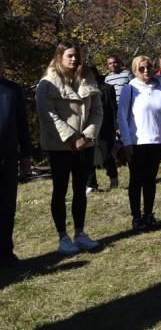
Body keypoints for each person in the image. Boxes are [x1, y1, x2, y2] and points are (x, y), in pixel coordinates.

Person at [35, 40, 103, 255]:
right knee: (60, 190)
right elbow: (49, 116)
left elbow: (97, 111)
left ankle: (80, 233)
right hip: (60, 146)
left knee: (80, 190)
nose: (74, 59)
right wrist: (72, 138)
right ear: (59, 57)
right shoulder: (47, 83)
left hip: (85, 143)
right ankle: (63, 237)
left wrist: (87, 135)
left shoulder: (87, 79)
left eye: (77, 55)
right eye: (70, 55)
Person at [117, 56, 161, 231]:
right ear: (135, 71)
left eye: (148, 67)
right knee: (136, 181)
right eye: (141, 68)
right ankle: (136, 218)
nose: (146, 71)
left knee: (150, 180)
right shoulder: (130, 89)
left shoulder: (160, 87)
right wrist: (127, 142)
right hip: (137, 143)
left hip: (156, 141)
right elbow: (122, 117)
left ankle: (149, 215)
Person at [0, 51, 32, 267]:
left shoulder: (12, 90)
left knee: (7, 206)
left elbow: (22, 125)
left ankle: (5, 252)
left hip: (8, 158)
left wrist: (27, 155)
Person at [86, 64, 119, 193]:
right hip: (88, 127)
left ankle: (113, 177)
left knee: (107, 154)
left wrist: (116, 125)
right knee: (88, 156)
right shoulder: (80, 89)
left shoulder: (108, 88)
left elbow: (113, 108)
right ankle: (91, 184)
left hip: (105, 126)